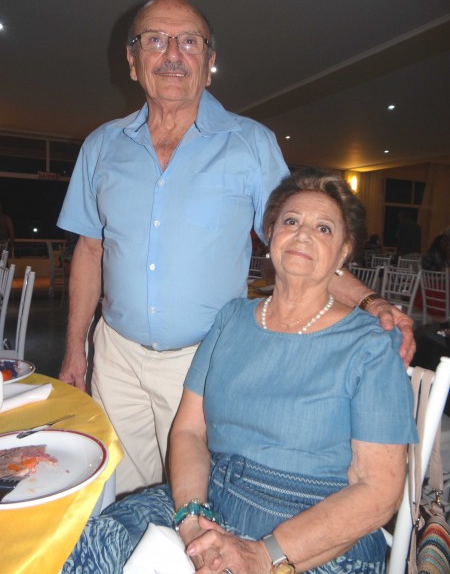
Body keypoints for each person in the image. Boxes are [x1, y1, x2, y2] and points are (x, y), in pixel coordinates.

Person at [57, 0, 415, 496]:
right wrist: (76, 350)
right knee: (122, 495)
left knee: (197, 498)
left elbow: (300, 246)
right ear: (133, 61)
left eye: (190, 42)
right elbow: (90, 250)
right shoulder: (101, 146)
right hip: (115, 357)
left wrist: (372, 302)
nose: (173, 54)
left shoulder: (251, 144)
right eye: (156, 40)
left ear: (210, 63)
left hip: (205, 363)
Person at [62, 171, 417, 574]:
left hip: (315, 529)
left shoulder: (372, 343)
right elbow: (189, 432)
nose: (303, 234)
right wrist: (192, 519)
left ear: (343, 253)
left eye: (323, 228)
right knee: (85, 549)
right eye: (291, 221)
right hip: (212, 500)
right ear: (271, 235)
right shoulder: (232, 319)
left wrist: (265, 554)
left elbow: (379, 491)